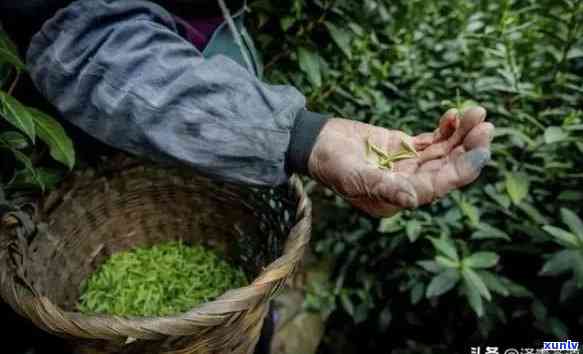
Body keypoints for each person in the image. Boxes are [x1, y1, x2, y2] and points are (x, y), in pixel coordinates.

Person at [0, 0, 494, 353]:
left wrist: (303, 137)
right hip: (90, 151)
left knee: (250, 322)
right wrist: (304, 137)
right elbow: (84, 40)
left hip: (215, 149)